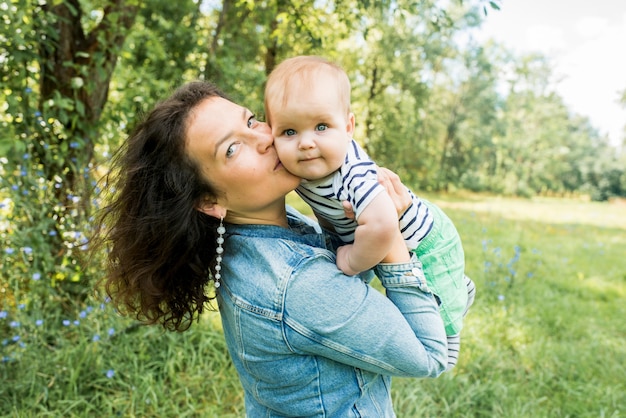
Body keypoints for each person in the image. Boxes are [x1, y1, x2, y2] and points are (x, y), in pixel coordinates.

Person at [92, 80, 448, 417]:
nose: (263, 139)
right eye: (232, 148)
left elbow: (347, 284)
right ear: (208, 200)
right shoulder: (294, 284)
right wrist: (390, 233)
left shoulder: (265, 229)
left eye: (251, 120)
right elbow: (430, 354)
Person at [264, 55, 476, 370]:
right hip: (377, 238)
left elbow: (382, 226)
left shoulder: (354, 175)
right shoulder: (303, 168)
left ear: (348, 127)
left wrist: (352, 262)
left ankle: (455, 301)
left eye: (321, 126)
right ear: (272, 133)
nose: (306, 143)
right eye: (289, 131)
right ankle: (457, 286)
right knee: (434, 287)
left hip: (426, 241)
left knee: (444, 336)